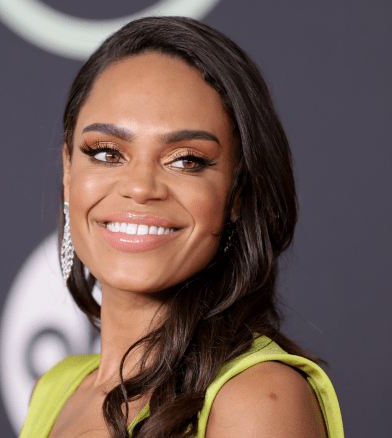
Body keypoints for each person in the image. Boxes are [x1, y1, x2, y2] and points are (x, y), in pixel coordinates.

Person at [20, 16, 343, 438]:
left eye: (186, 160)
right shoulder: (55, 390)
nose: (140, 187)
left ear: (238, 192)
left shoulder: (258, 400)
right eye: (106, 153)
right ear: (67, 169)